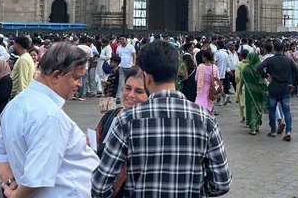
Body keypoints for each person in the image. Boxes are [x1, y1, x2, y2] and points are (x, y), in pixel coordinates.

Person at [92, 40, 231, 197]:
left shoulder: (128, 120)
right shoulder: (206, 120)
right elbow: (221, 183)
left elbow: (100, 186)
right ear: (176, 70)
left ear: (146, 76)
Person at [0, 42, 98, 197]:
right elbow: (36, 179)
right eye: (76, 78)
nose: (80, 84)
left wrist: (11, 182)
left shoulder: (15, 104)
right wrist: (14, 195)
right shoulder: (50, 116)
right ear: (56, 76)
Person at [94, 67, 149, 198]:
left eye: (139, 91)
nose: (131, 95)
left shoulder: (148, 127)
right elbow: (95, 145)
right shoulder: (110, 116)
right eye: (128, 88)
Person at [257, 40, 298, 141]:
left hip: (273, 88)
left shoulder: (270, 60)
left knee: (272, 109)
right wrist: (294, 84)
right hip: (285, 88)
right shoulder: (288, 60)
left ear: (274, 49)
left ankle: (273, 131)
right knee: (286, 110)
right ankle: (288, 131)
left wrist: (266, 76)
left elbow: (259, 67)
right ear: (283, 49)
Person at [242, 49, 268, 135]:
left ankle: (252, 128)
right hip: (259, 92)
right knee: (258, 107)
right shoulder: (259, 68)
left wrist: (239, 89)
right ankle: (256, 126)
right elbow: (262, 81)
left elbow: (243, 79)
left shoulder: (246, 69)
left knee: (250, 108)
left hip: (250, 93)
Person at [195, 49, 219, 114]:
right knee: (209, 103)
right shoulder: (214, 67)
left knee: (200, 102)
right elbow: (217, 79)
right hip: (211, 88)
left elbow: (196, 78)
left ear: (205, 57)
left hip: (201, 88)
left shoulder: (200, 66)